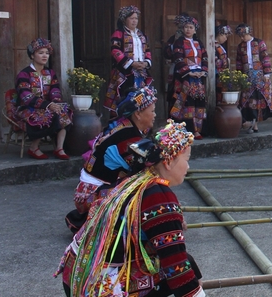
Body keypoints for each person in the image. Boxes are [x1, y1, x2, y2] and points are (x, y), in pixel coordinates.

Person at [56, 120, 205, 297]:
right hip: (95, 287)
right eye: (186, 159)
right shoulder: (159, 198)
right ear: (168, 161)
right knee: (180, 268)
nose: (188, 166)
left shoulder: (131, 180)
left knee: (186, 262)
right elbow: (175, 265)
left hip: (75, 273)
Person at [65, 86, 158, 233]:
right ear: (138, 114)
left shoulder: (126, 127)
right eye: (152, 111)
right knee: (145, 183)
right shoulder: (129, 138)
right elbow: (145, 169)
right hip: (92, 195)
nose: (155, 115)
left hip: (93, 189)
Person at [15, 38, 72, 160]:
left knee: (63, 112)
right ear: (32, 55)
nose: (45, 56)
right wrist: (47, 105)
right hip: (27, 107)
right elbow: (26, 97)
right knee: (45, 116)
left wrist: (56, 104)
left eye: (47, 53)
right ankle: (33, 147)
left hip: (47, 106)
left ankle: (59, 148)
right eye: (40, 53)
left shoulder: (50, 73)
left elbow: (55, 91)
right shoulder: (24, 74)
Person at [103, 6, 153, 117]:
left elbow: (147, 50)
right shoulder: (119, 33)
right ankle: (123, 121)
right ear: (124, 20)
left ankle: (140, 122)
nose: (134, 21)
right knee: (125, 97)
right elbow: (115, 50)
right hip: (125, 73)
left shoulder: (141, 35)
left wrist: (146, 63)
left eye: (136, 18)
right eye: (131, 18)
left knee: (141, 98)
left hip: (141, 72)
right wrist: (131, 63)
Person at [170, 16, 208, 139]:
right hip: (185, 76)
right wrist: (188, 72)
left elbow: (205, 57)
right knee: (187, 102)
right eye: (186, 27)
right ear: (183, 29)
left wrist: (203, 71)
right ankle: (190, 129)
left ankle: (199, 129)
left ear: (195, 30)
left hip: (198, 76)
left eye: (191, 27)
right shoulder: (179, 42)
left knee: (199, 101)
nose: (188, 29)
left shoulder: (199, 43)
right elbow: (178, 58)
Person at [236, 23, 272, 133]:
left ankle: (255, 124)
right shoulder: (240, 47)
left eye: (243, 35)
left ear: (248, 33)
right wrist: (239, 76)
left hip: (259, 75)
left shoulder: (259, 43)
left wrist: (266, 74)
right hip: (247, 76)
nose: (242, 38)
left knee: (258, 98)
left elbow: (265, 58)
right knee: (249, 100)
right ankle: (252, 122)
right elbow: (239, 62)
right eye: (240, 36)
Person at [214, 25, 233, 102]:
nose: (226, 38)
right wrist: (226, 62)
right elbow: (214, 61)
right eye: (225, 36)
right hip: (217, 74)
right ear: (220, 34)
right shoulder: (213, 46)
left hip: (222, 74)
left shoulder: (220, 46)